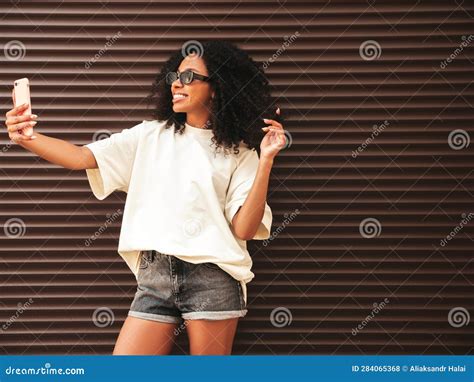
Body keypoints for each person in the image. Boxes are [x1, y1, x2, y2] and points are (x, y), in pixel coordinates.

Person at [4, 40, 287, 355]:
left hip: (213, 277)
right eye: (174, 77)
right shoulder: (149, 135)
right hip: (155, 277)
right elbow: (82, 156)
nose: (177, 84)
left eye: (190, 77)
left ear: (217, 88)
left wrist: (266, 160)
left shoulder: (241, 154)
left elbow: (245, 230)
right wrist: (27, 138)